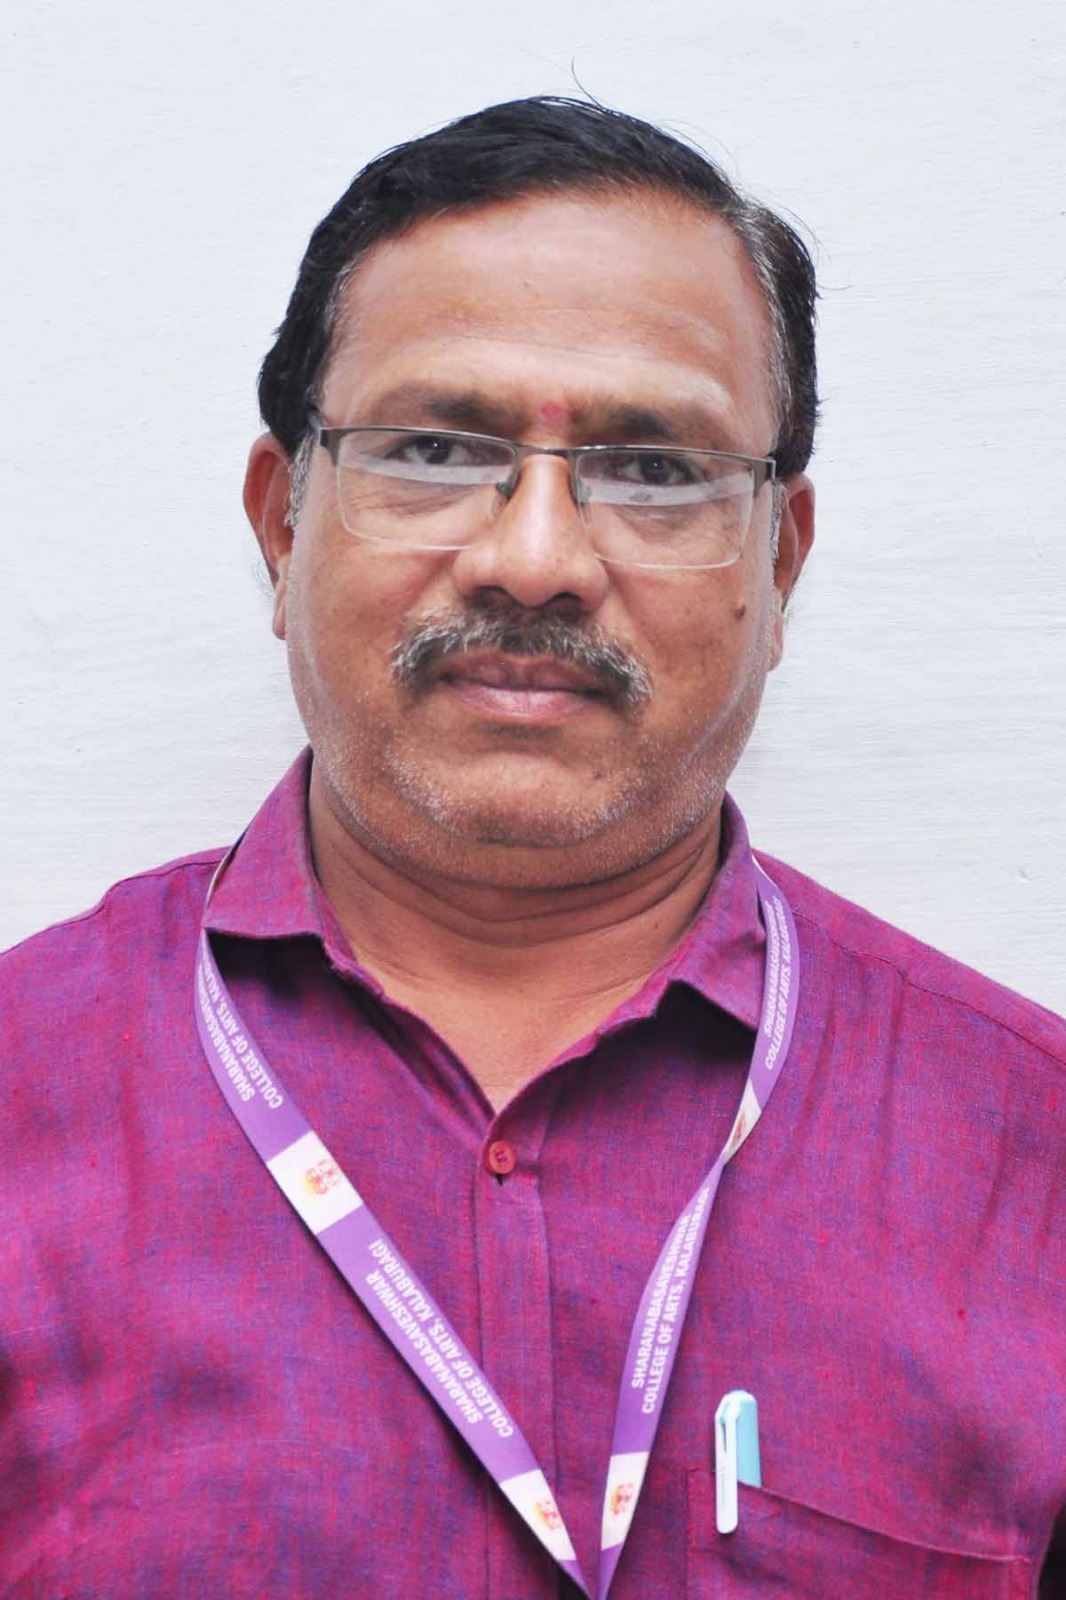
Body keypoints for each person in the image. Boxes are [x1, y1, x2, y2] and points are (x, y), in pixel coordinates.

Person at [1, 96, 1062, 1599]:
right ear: (281, 525)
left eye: (654, 470)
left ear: (779, 560)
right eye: (436, 448)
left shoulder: (1032, 1157)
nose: (536, 559)